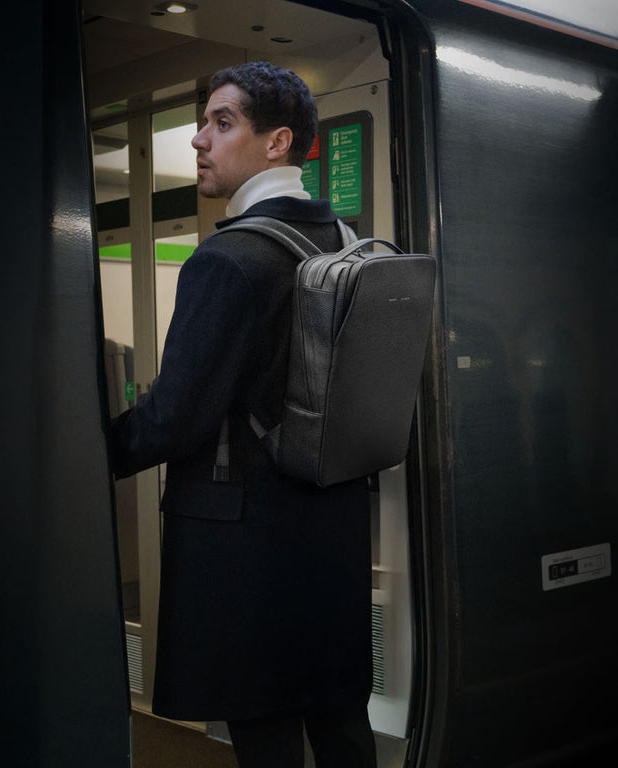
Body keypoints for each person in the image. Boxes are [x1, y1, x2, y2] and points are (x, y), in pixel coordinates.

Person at [109, 61, 377, 768]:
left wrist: (88, 453)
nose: (199, 139)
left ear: (277, 141)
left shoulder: (228, 260)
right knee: (341, 723)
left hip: (244, 547)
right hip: (334, 527)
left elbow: (174, 418)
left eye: (221, 122)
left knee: (266, 736)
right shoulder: (348, 245)